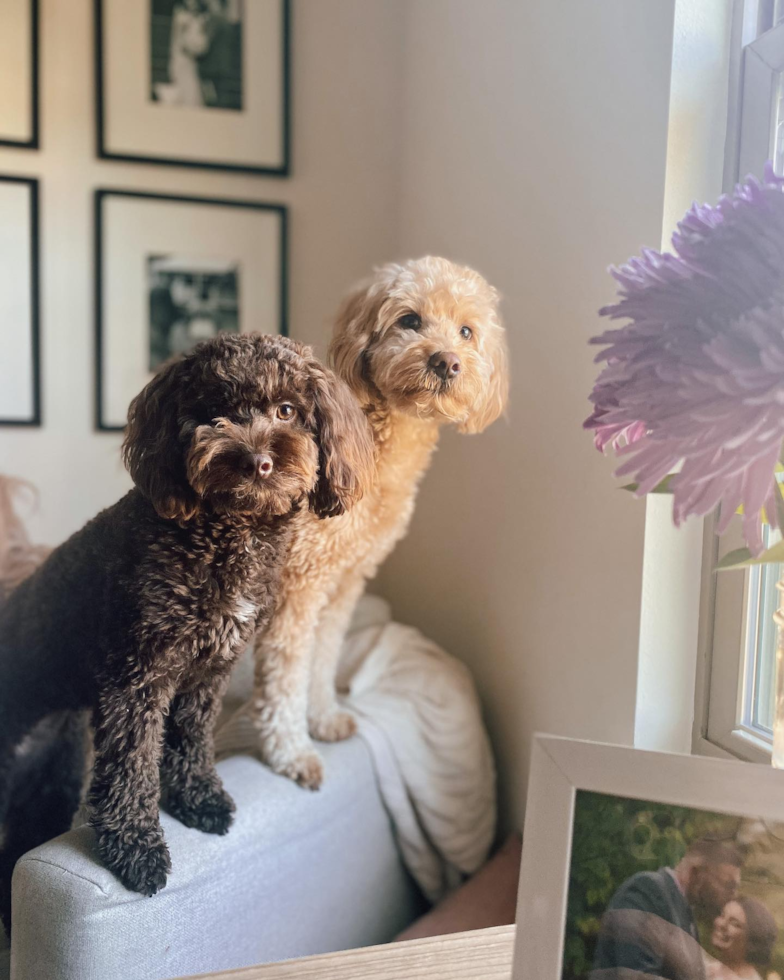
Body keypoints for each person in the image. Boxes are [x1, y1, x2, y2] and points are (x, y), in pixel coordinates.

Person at [591, 840, 744, 980]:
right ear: (697, 873)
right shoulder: (647, 892)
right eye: (728, 885)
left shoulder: (685, 914)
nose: (733, 895)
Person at [706, 897, 779, 980]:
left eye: (734, 924)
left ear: (752, 940)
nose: (721, 924)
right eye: (722, 915)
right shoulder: (706, 969)